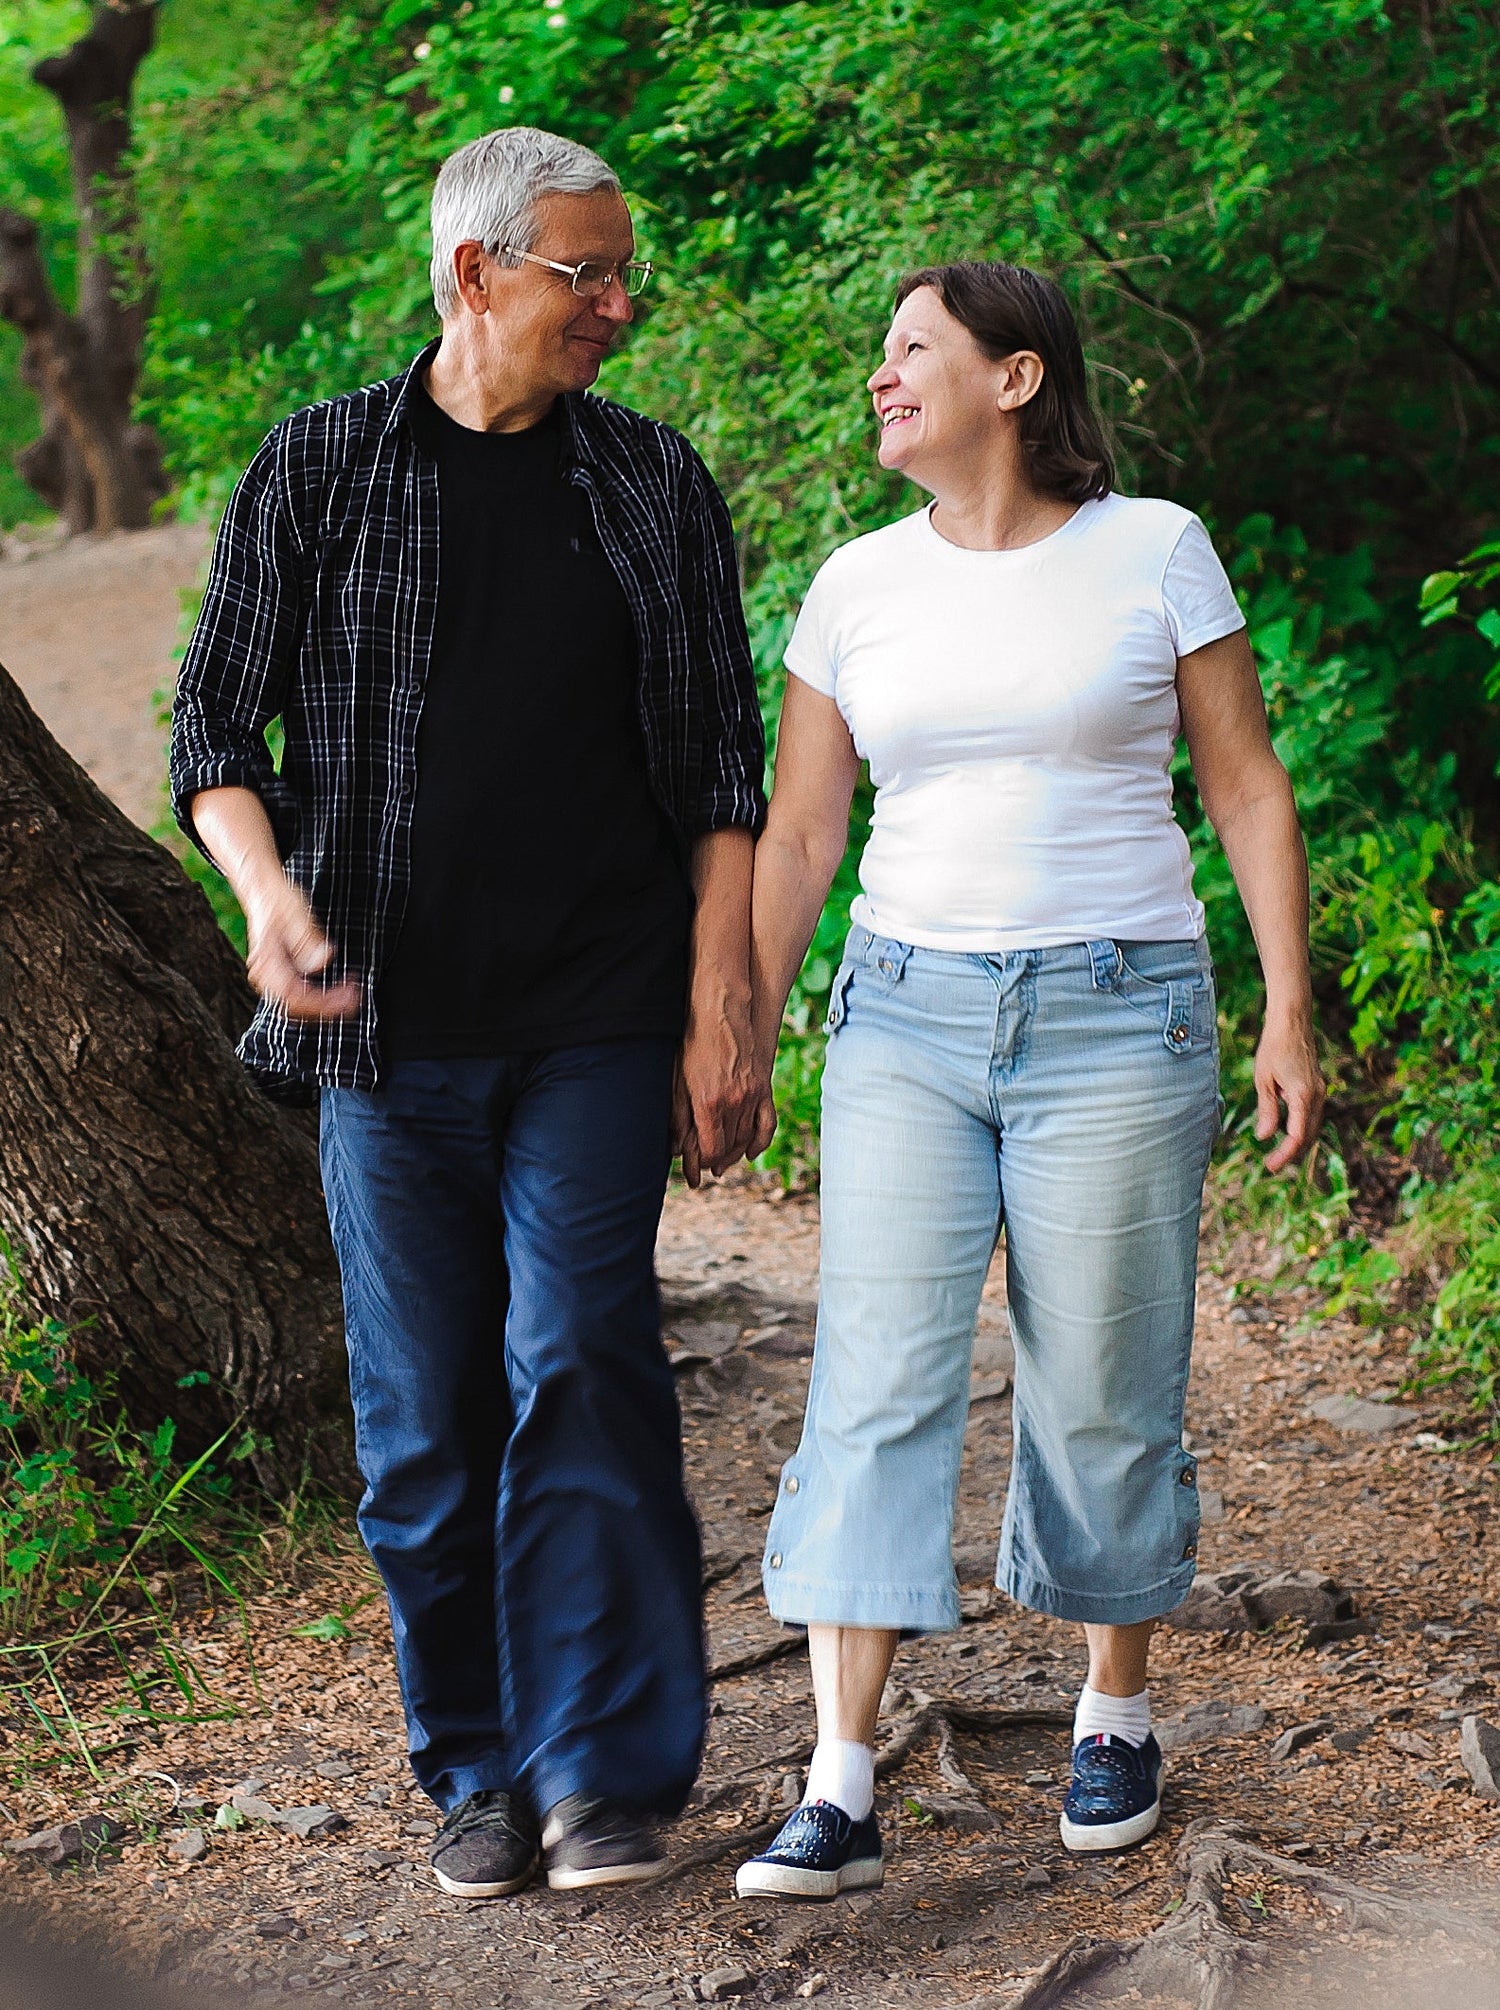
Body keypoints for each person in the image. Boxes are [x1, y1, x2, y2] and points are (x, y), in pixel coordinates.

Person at [171, 127, 769, 1900]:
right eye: (585, 271)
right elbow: (214, 734)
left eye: (620, 268)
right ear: (475, 274)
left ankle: (603, 1769)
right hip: (388, 1035)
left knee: (581, 1357)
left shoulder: (654, 484)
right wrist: (271, 901)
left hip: (596, 1013)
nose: (617, 301)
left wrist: (721, 990)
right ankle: (476, 1768)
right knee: (426, 1422)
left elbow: (718, 766)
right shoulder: (321, 470)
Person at [735, 261, 1325, 1901]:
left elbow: (1245, 782)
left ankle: (1114, 1711)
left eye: (910, 346)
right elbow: (799, 836)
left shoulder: (1153, 548)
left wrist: (1287, 1007)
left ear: (1014, 377)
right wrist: (742, 1026)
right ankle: (841, 1781)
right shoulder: (854, 584)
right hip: (906, 1014)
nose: (880, 373)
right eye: (878, 350)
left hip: (1119, 1011)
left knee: (1104, 1379)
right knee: (877, 1373)